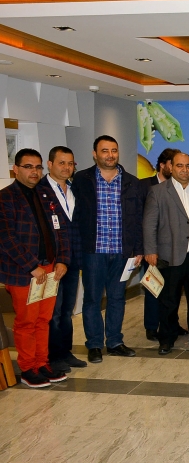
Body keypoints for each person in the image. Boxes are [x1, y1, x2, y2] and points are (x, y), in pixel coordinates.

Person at [0, 149, 70, 388]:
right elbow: (6, 238)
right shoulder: (5, 198)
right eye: (28, 167)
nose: (35, 171)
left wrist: (62, 260)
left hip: (50, 269)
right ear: (15, 169)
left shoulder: (46, 194)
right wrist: (32, 266)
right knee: (26, 322)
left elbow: (60, 230)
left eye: (38, 167)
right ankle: (28, 368)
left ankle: (42, 363)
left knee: (43, 319)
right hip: (23, 272)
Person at [72, 135, 145, 364]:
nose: (110, 155)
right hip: (93, 251)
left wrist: (139, 249)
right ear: (95, 154)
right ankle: (94, 344)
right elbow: (75, 216)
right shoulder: (82, 180)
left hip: (122, 252)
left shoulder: (131, 182)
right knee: (92, 299)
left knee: (117, 298)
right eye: (105, 151)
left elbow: (138, 218)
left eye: (114, 150)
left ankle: (114, 342)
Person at [143, 152, 189, 355]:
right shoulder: (158, 191)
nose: (184, 170)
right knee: (168, 301)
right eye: (179, 166)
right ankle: (167, 338)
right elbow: (149, 224)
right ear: (170, 167)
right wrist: (150, 250)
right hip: (169, 255)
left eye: (188, 166)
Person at [43, 146, 86, 373]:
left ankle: (65, 352)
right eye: (61, 163)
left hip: (73, 259)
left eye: (70, 163)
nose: (67, 167)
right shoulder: (39, 192)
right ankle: (53, 356)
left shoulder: (74, 188)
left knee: (67, 309)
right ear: (50, 164)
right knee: (53, 311)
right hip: (52, 263)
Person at [140, 147, 179, 342]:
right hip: (153, 249)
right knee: (153, 288)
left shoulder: (179, 187)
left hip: (176, 250)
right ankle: (151, 326)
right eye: (173, 164)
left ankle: (172, 324)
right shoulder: (145, 186)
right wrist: (148, 249)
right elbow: (142, 220)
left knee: (173, 290)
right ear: (162, 165)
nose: (175, 168)